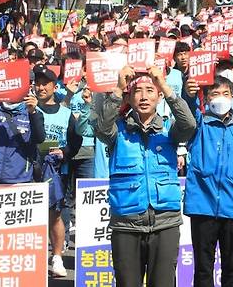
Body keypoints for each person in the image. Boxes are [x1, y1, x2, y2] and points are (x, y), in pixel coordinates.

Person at [93, 65, 197, 287]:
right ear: (129, 98)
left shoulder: (169, 130)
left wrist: (166, 86)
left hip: (164, 222)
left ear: (159, 96)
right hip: (126, 223)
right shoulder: (117, 132)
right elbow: (101, 128)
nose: (143, 97)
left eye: (150, 91)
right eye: (137, 92)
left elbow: (189, 124)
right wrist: (119, 89)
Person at [184, 76, 233, 287]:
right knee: (202, 269)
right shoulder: (199, 125)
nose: (221, 98)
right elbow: (187, 112)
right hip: (202, 207)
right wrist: (190, 94)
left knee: (232, 269)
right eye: (215, 94)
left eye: (226, 94)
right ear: (207, 98)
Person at [32, 65, 83, 278]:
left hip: (57, 171)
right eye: (38, 83)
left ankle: (58, 257)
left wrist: (65, 152)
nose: (41, 87)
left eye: (46, 83)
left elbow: (75, 141)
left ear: (55, 86)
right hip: (31, 170)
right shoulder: (29, 108)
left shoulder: (66, 113)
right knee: (32, 215)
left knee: (55, 215)